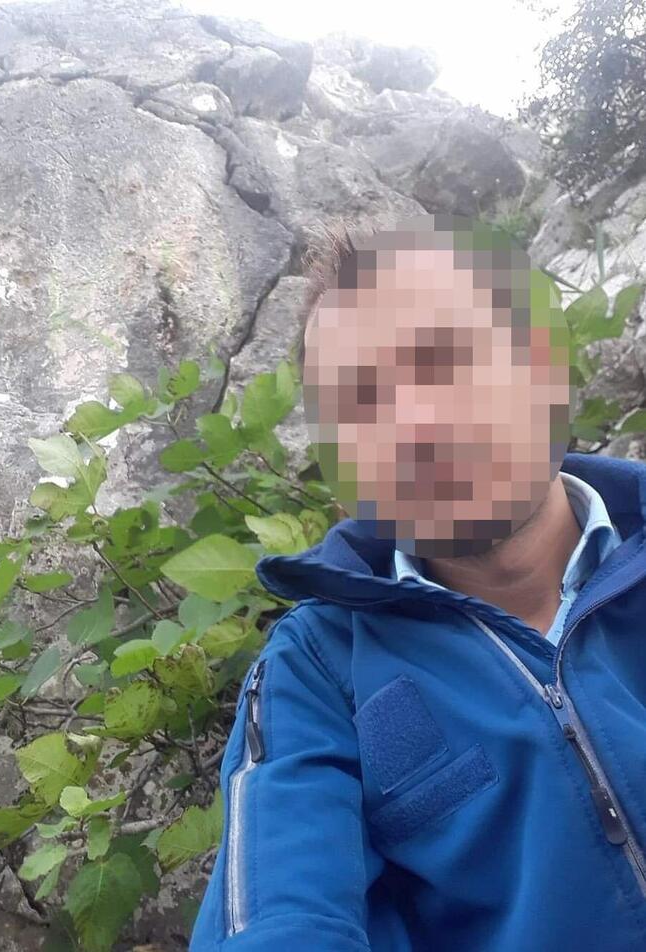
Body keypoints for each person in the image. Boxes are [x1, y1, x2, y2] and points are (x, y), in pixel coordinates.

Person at [189, 212, 646, 951]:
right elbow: (284, 915)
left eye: (446, 362)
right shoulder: (316, 672)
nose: (415, 423)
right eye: (360, 402)